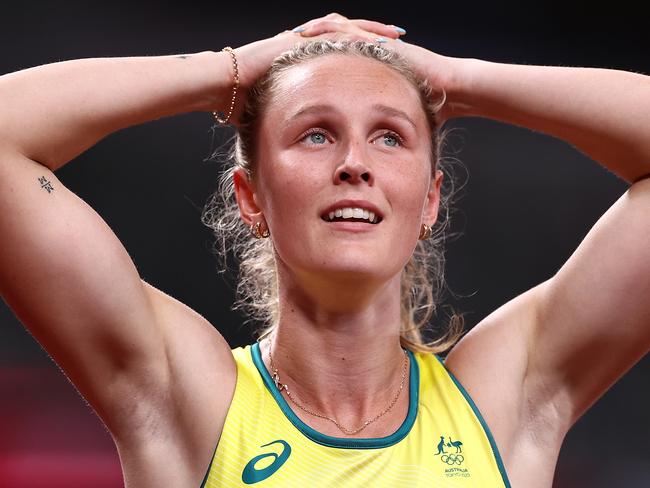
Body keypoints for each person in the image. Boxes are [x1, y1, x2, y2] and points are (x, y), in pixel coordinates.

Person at [0, 11, 648, 487]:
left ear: (430, 201)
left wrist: (460, 81)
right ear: (251, 196)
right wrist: (226, 73)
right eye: (315, 134)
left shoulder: (504, 405)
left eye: (390, 137)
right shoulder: (188, 399)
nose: (354, 164)